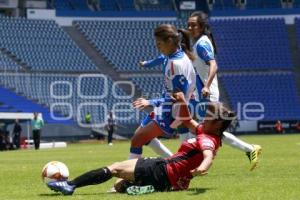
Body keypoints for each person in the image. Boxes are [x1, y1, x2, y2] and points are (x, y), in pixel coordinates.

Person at [138, 11, 262, 171]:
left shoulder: (202, 44)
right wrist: (147, 63)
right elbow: (165, 57)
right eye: (189, 24)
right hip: (195, 95)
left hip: (206, 95)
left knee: (204, 131)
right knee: (186, 124)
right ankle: (178, 162)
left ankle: (249, 149)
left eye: (194, 25)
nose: (190, 27)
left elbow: (214, 65)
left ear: (202, 26)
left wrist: (206, 85)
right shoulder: (194, 44)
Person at [47, 92, 235, 195]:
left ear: (217, 124)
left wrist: (202, 167)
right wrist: (183, 102)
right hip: (167, 173)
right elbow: (187, 121)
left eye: (208, 117)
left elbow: (208, 155)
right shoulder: (206, 131)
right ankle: (147, 187)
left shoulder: (209, 139)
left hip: (163, 170)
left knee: (115, 168)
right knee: (120, 185)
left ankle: (69, 186)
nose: (204, 119)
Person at [128, 24, 196, 160]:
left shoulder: (176, 65)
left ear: (170, 41)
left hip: (170, 112)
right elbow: (160, 58)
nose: (157, 47)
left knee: (137, 140)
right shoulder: (176, 54)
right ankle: (175, 162)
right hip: (165, 107)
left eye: (159, 44)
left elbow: (178, 98)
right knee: (140, 137)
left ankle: (130, 178)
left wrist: (150, 102)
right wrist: (146, 64)